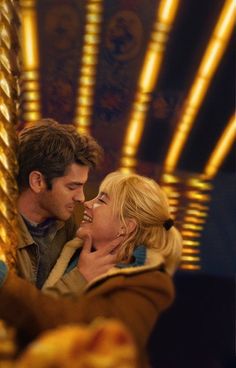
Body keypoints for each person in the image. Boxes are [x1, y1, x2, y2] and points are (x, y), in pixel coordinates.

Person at [0, 171, 182, 366]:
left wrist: (6, 282)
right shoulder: (72, 252)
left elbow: (73, 327)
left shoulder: (147, 286)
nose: (87, 203)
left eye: (102, 200)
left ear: (126, 227)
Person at [14, 118, 104, 288]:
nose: (81, 198)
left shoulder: (65, 226)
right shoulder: (5, 234)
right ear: (37, 181)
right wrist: (80, 277)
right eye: (72, 187)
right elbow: (19, 312)